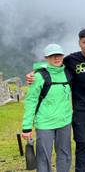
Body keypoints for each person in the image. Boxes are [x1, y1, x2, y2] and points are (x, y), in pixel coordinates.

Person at [26, 29, 85, 172]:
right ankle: (81, 168)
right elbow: (53, 64)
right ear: (79, 43)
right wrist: (35, 71)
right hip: (81, 111)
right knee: (82, 142)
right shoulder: (72, 60)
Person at [22, 43, 72, 172]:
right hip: (45, 123)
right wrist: (26, 126)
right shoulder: (38, 76)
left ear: (63, 56)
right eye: (52, 56)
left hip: (65, 122)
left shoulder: (67, 73)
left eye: (59, 55)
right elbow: (31, 101)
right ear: (46, 58)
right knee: (43, 157)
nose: (56, 58)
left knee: (65, 155)